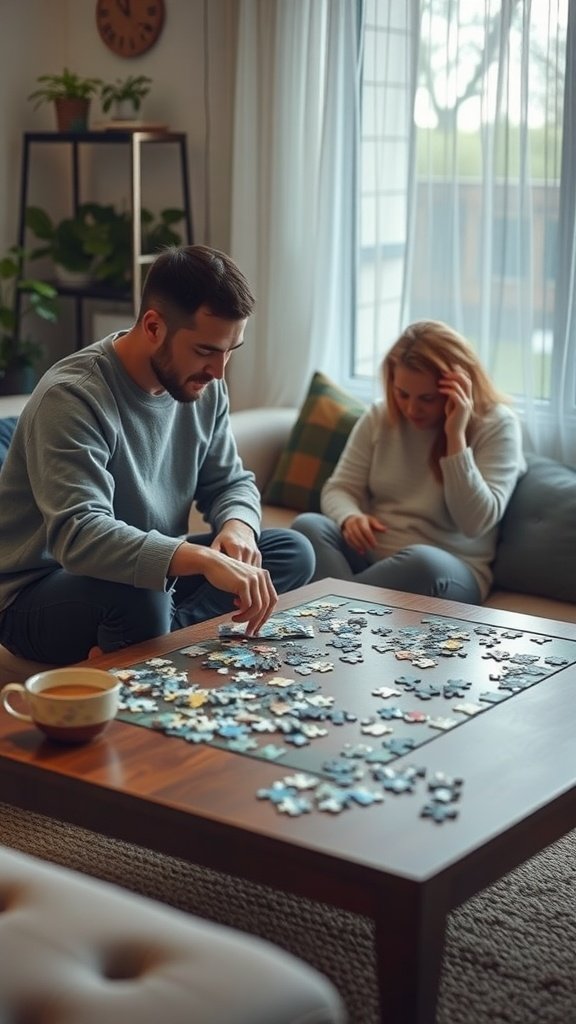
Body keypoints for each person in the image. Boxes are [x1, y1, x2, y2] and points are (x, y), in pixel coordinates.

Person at [0, 244, 315, 664]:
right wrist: (202, 559)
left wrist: (238, 529)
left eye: (230, 351)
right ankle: (165, 638)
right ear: (153, 326)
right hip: (39, 593)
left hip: (144, 575)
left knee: (290, 551)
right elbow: (79, 535)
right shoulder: (72, 396)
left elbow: (228, 482)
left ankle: (159, 642)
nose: (220, 371)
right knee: (142, 597)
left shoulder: (205, 386)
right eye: (206, 350)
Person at [292, 319, 525, 604]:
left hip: (448, 572)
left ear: (460, 388)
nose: (412, 409)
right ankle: (346, 620)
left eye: (427, 398)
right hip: (373, 559)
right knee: (309, 526)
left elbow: (474, 522)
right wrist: (350, 517)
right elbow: (339, 488)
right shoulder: (380, 416)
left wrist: (455, 436)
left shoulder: (497, 425)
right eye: (403, 394)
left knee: (423, 561)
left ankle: (331, 614)